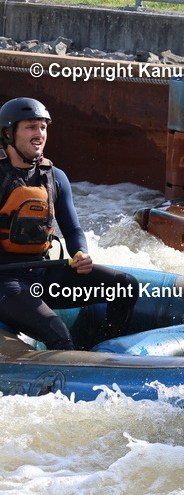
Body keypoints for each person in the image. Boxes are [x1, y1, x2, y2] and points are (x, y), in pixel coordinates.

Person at [0, 97, 137, 350]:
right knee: (58, 333)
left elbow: (73, 229)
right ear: (8, 134)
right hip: (5, 283)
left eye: (43, 127)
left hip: (44, 275)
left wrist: (81, 253)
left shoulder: (55, 177)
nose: (39, 133)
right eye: (31, 127)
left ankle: (105, 352)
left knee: (125, 285)